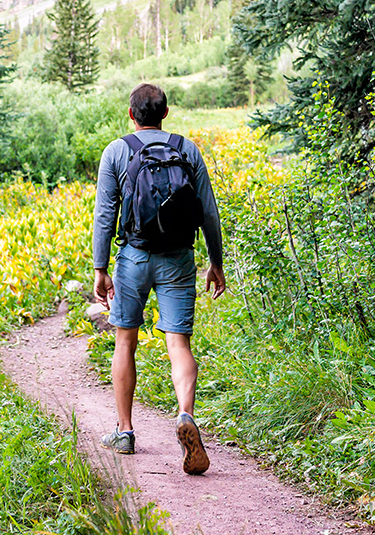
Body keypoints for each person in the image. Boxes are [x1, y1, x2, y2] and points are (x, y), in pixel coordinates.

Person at [92, 82, 225, 475]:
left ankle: (125, 431)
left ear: (131, 115)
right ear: (165, 113)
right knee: (178, 342)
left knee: (125, 339)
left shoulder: (116, 151)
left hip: (133, 257)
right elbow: (208, 213)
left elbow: (105, 215)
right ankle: (185, 414)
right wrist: (215, 262)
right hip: (179, 258)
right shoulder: (187, 149)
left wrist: (101, 268)